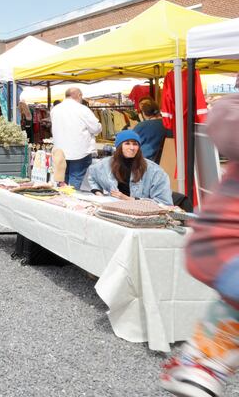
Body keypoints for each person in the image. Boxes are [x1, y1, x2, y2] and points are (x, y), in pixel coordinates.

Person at [161, 94, 239, 397]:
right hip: (224, 245)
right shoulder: (231, 112)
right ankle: (201, 364)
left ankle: (200, 363)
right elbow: (224, 119)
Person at [85, 130, 172, 204]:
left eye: (135, 144)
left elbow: (164, 203)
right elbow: (92, 178)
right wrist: (98, 193)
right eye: (127, 143)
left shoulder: (154, 171)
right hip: (114, 209)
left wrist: (129, 199)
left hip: (141, 214)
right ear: (119, 147)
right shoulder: (105, 164)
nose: (132, 147)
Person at [50, 87, 102, 189]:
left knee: (62, 181)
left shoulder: (55, 109)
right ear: (79, 95)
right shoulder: (82, 109)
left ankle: (62, 202)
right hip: (79, 151)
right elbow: (96, 128)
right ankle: (72, 201)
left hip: (60, 151)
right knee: (75, 182)